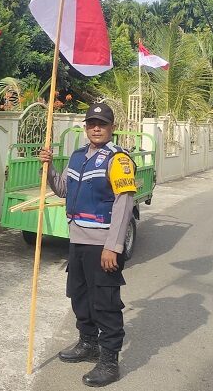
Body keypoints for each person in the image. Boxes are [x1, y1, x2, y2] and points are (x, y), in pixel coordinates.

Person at [39, 104, 136, 387]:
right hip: (78, 240)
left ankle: (109, 362)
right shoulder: (78, 156)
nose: (96, 128)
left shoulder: (118, 159)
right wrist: (48, 168)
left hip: (102, 244)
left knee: (105, 302)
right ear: (86, 126)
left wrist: (113, 246)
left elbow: (124, 203)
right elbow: (64, 189)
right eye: (92, 123)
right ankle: (88, 343)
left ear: (111, 127)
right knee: (79, 296)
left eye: (102, 124)